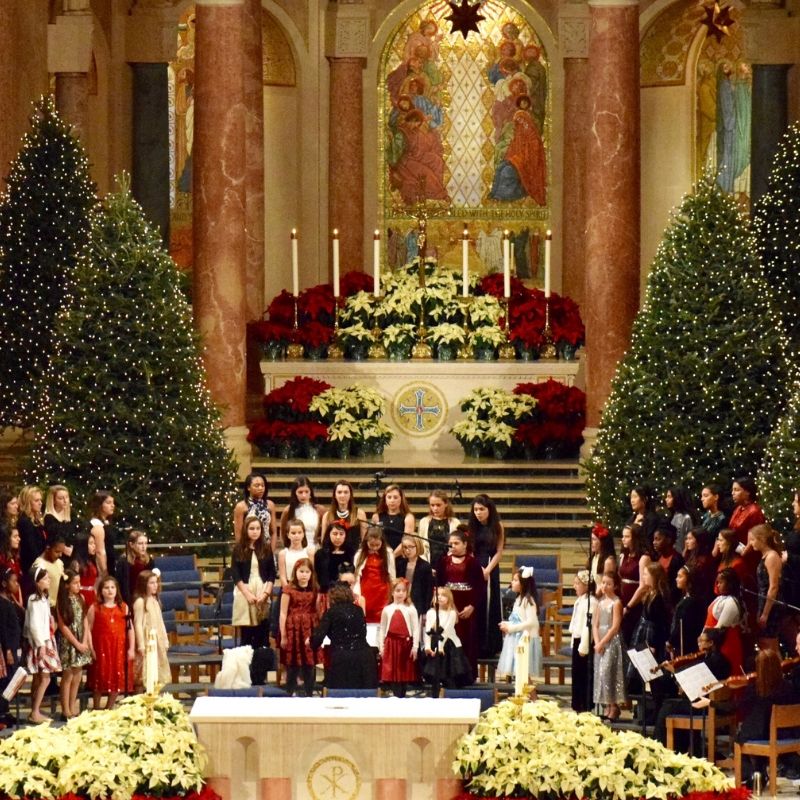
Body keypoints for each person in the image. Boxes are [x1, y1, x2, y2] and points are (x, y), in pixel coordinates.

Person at [653, 627, 731, 747]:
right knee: (675, 704)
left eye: (702, 640)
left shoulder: (710, 662)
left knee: (667, 707)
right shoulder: (722, 659)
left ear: (711, 643)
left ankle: (660, 747)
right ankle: (685, 748)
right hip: (716, 704)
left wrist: (675, 672)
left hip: (705, 706)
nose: (698, 643)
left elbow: (694, 688)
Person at [735, 648, 796, 787]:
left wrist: (710, 703)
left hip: (767, 736)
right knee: (754, 729)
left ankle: (754, 773)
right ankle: (760, 772)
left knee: (742, 736)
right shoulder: (788, 687)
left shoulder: (756, 689)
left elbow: (737, 706)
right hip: (788, 735)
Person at [435, 527, 484, 682]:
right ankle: (448, 674)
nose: (453, 546)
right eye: (450, 543)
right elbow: (439, 584)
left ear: (465, 544)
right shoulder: (443, 562)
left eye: (456, 543)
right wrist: (450, 607)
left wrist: (472, 606)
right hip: (449, 605)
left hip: (467, 606)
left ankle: (467, 675)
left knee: (466, 639)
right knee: (448, 637)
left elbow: (480, 587)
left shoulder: (473, 563)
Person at [311, 581, 377, 690]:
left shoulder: (331, 612)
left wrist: (310, 640)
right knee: (364, 697)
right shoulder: (359, 610)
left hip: (343, 659)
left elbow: (318, 638)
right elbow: (363, 632)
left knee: (342, 696)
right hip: (364, 657)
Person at [86, 575, 134, 709]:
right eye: (106, 588)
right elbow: (88, 629)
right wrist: (91, 648)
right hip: (101, 648)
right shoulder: (95, 608)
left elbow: (130, 629)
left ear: (117, 590)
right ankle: (96, 707)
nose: (110, 590)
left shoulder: (123, 607)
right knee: (99, 677)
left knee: (117, 677)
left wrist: (131, 648)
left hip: (119, 648)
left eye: (112, 587)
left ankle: (109, 707)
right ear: (101, 590)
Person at [468, 494, 505, 659]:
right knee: (477, 603)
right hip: (475, 566)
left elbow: (499, 552)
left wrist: (488, 570)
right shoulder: (471, 528)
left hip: (490, 567)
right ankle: (475, 643)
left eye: (481, 509)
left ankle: (490, 644)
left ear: (489, 509)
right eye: (475, 509)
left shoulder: (497, 526)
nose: (478, 513)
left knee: (490, 603)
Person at [231, 515, 275, 649]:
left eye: (257, 528)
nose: (255, 531)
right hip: (245, 590)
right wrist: (247, 594)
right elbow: (236, 574)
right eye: (251, 528)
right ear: (246, 530)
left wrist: (266, 594)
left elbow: (272, 573)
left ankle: (261, 666)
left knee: (262, 632)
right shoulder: (239, 549)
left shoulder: (266, 548)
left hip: (262, 589)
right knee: (247, 635)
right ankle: (246, 667)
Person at [24, 567, 61, 722]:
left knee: (40, 678)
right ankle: (35, 711)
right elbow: (33, 625)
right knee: (44, 678)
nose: (49, 580)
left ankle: (35, 710)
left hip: (46, 640)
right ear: (37, 582)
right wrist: (41, 644)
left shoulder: (43, 599)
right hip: (41, 643)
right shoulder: (34, 599)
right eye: (45, 578)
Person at [279, 557, 319, 697]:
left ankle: (309, 692)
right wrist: (283, 634)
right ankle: (290, 691)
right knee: (292, 663)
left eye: (307, 572)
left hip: (309, 628)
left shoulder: (315, 589)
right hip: (293, 629)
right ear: (295, 572)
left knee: (309, 662)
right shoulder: (288, 590)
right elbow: (283, 613)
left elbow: (317, 610)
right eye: (301, 571)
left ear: (311, 574)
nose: (304, 574)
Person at [56, 569, 92, 718]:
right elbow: (63, 626)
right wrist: (77, 644)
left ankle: (72, 707)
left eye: (79, 582)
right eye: (75, 583)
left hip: (80, 640)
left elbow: (84, 620)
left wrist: (84, 641)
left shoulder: (80, 598)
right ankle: (65, 710)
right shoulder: (61, 601)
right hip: (69, 642)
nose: (79, 585)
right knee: (68, 676)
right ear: (66, 585)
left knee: (78, 676)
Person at [496, 567, 542, 683]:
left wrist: (511, 628)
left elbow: (531, 622)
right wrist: (507, 624)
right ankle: (523, 697)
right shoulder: (518, 599)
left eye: (515, 580)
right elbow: (518, 619)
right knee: (520, 673)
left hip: (525, 639)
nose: (512, 583)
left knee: (523, 673)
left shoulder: (528, 600)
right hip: (517, 638)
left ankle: (533, 699)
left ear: (523, 584)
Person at [423, 586, 470, 694]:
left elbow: (445, 631)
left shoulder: (451, 613)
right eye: (437, 595)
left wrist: (440, 647)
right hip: (434, 646)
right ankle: (434, 695)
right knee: (434, 675)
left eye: (443, 595)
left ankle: (450, 695)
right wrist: (427, 647)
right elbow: (428, 631)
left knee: (449, 676)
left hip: (448, 647)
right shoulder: (430, 612)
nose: (440, 597)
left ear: (449, 598)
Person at [593, 571, 627, 720]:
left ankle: (614, 706)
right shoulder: (600, 602)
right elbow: (595, 624)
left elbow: (615, 627)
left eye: (609, 584)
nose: (605, 586)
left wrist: (602, 642)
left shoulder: (616, 602)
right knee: (600, 673)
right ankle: (606, 706)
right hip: (599, 642)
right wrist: (596, 641)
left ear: (615, 586)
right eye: (603, 583)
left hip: (611, 641)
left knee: (609, 673)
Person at [377, 578, 419, 697]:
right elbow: (382, 628)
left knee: (404, 672)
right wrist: (382, 646)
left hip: (405, 644)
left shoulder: (411, 609)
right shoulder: (387, 609)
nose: (400, 593)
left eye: (403, 591)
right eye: (398, 590)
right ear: (392, 592)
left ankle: (402, 695)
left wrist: (415, 647)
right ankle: (395, 695)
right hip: (391, 643)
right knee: (392, 672)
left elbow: (415, 628)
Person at [132, 570, 170, 690]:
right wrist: (141, 645)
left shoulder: (155, 600)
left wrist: (165, 639)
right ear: (144, 584)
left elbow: (160, 621)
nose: (155, 585)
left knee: (156, 671)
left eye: (156, 582)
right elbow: (137, 624)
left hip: (156, 639)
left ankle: (154, 697)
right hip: (147, 640)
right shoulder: (140, 602)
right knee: (144, 673)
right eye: (151, 583)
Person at [705, 567, 746, 676]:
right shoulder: (720, 598)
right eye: (717, 582)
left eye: (721, 582)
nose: (717, 585)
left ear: (730, 584)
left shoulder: (731, 602)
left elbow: (719, 629)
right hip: (713, 645)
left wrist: (705, 640)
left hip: (726, 646)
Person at [749, 524, 783, 652]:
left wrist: (765, 614)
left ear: (762, 539)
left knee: (769, 645)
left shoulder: (771, 556)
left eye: (752, 539)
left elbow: (773, 587)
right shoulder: (765, 556)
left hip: (771, 606)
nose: (751, 543)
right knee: (764, 644)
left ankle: (775, 671)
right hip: (764, 602)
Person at [618, 522, 651, 647]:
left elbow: (643, 586)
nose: (623, 539)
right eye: (623, 536)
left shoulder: (643, 558)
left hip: (634, 604)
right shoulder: (623, 556)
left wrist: (628, 607)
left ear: (635, 538)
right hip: (622, 600)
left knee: (632, 638)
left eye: (627, 536)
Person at [569, 569, 598, 712]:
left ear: (586, 585)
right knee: (576, 674)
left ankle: (584, 705)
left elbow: (589, 625)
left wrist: (584, 646)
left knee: (583, 675)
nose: (574, 586)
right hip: (577, 639)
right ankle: (577, 704)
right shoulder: (580, 600)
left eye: (577, 583)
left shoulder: (591, 602)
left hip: (584, 642)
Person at [354, 526, 395, 623]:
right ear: (366, 542)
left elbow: (392, 575)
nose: (375, 547)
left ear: (382, 542)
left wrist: (392, 594)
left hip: (383, 591)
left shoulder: (388, 554)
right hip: (366, 590)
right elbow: (357, 576)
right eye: (371, 545)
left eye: (377, 545)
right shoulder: (360, 554)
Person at [0, 569, 24, 724]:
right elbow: (2, 628)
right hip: (7, 649)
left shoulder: (9, 600)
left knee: (11, 680)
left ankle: (5, 710)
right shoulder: (1, 603)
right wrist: (8, 650)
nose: (16, 584)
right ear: (3, 583)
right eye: (13, 581)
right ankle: (1, 713)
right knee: (5, 681)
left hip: (14, 647)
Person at [668, 565, 705, 660]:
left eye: (680, 577)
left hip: (685, 646)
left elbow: (681, 627)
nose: (676, 579)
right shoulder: (688, 597)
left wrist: (671, 642)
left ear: (689, 579)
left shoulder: (690, 602)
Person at [395, 534, 434, 622]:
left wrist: (426, 611)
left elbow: (428, 592)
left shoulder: (425, 566)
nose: (407, 550)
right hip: (402, 600)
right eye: (405, 547)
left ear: (418, 546)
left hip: (418, 603)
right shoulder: (400, 563)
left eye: (411, 547)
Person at [233, 472, 277, 550]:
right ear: (248, 487)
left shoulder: (270, 505)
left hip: (266, 548)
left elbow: (273, 532)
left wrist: (272, 551)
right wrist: (243, 552)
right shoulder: (241, 507)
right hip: (248, 548)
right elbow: (238, 533)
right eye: (257, 485)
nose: (260, 488)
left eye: (263, 485)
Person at [320, 480, 367, 552]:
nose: (342, 495)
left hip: (354, 555)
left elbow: (364, 540)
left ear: (350, 495)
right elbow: (324, 542)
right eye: (339, 492)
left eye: (346, 492)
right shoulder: (327, 516)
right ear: (334, 495)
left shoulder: (359, 514)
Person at [728, 476, 765, 565]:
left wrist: (743, 553)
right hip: (734, 552)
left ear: (747, 492)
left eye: (736, 490)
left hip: (748, 557)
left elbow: (755, 537)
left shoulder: (754, 512)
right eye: (732, 490)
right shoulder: (738, 508)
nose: (733, 493)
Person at [17, 485, 47, 598]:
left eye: (40, 500)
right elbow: (31, 548)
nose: (40, 503)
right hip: (31, 569)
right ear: (28, 502)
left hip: (41, 564)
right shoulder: (25, 522)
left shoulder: (36, 521)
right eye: (36, 500)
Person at [314, 521, 355, 600]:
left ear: (346, 536)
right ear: (329, 534)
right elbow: (316, 576)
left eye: (341, 534)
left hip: (346, 594)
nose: (338, 537)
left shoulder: (351, 553)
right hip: (326, 593)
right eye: (335, 534)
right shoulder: (320, 554)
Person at [279, 476, 325, 544]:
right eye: (300, 492)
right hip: (294, 549)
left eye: (306, 492)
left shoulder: (320, 510)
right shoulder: (288, 510)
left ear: (311, 492)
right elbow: (283, 535)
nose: (304, 495)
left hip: (314, 548)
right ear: (295, 493)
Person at [418, 489, 460, 562]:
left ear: (446, 504)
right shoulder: (424, 522)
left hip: (449, 562)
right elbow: (421, 545)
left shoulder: (455, 523)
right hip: (428, 562)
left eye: (438, 505)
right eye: (432, 505)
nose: (435, 508)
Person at [371, 484, 415, 553]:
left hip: (401, 556)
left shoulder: (408, 517)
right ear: (385, 499)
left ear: (401, 499)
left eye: (395, 497)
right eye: (389, 497)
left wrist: (392, 556)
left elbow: (406, 542)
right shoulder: (376, 516)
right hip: (381, 555)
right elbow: (373, 539)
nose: (392, 500)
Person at [115, 530, 154, 606]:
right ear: (131, 545)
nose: (143, 547)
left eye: (145, 543)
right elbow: (120, 584)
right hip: (128, 599)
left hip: (145, 597)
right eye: (140, 543)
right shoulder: (124, 561)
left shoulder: (149, 561)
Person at [683, 527, 717, 608]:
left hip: (699, 600)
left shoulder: (704, 561)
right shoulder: (691, 555)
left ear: (699, 540)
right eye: (686, 539)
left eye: (690, 539)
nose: (687, 542)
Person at [653, 520, 685, 607]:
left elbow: (676, 587)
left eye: (658, 539)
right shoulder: (658, 557)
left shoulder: (677, 559)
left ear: (668, 540)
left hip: (669, 603)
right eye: (654, 539)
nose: (654, 542)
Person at [278, 518, 316, 589]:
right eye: (293, 533)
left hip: (306, 589)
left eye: (299, 532)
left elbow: (312, 574)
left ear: (303, 534)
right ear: (288, 535)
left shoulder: (309, 553)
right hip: (288, 588)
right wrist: (289, 592)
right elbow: (283, 577)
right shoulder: (283, 554)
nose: (296, 535)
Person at [783, 492, 800, 647]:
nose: (793, 504)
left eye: (796, 501)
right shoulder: (797, 523)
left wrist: (789, 558)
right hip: (792, 582)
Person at [43, 485, 78, 561]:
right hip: (58, 557)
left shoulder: (72, 515)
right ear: (53, 500)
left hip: (72, 555)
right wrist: (64, 549)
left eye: (67, 497)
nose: (65, 501)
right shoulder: (49, 518)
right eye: (61, 498)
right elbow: (52, 539)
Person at [31, 533, 66, 608]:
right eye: (57, 552)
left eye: (62, 552)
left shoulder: (59, 563)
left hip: (57, 607)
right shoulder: (39, 565)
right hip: (44, 606)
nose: (60, 555)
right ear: (48, 549)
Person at [88, 491, 117, 578]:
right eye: (108, 503)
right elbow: (100, 552)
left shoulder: (106, 522)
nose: (112, 505)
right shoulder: (97, 525)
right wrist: (104, 573)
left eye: (113, 503)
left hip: (110, 563)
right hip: (103, 568)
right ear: (99, 505)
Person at [587, 522, 616, 591]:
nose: (591, 542)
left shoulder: (608, 561)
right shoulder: (594, 557)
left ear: (602, 542)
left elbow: (605, 585)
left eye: (594, 539)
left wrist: (594, 598)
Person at [74, 533, 99, 608]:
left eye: (94, 543)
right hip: (81, 595)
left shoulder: (91, 561)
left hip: (92, 594)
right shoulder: (76, 563)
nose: (94, 546)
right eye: (91, 543)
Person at [0, 526, 22, 605]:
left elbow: (17, 581)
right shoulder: (2, 559)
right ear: (7, 539)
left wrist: (20, 600)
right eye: (15, 536)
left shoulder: (14, 557)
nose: (19, 539)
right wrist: (16, 603)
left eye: (18, 536)